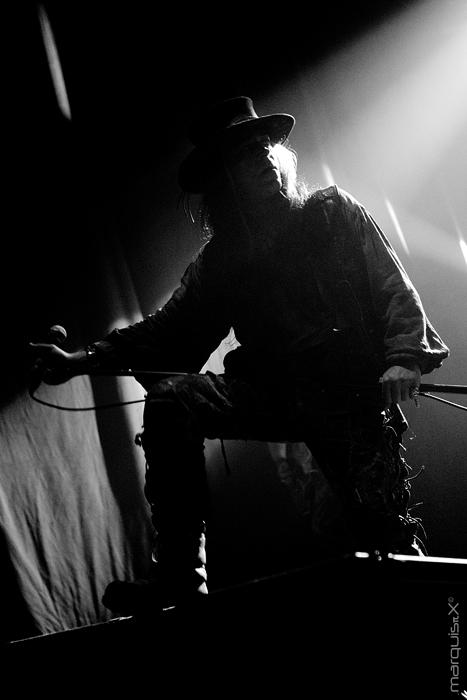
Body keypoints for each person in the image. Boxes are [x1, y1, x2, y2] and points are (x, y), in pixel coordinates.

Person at [30, 96, 449, 615]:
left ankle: (447, 653)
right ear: (224, 177)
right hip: (273, 393)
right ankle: (181, 575)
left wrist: (404, 355)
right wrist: (80, 360)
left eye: (265, 146)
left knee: (388, 541)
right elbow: (169, 330)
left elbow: (394, 288)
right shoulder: (224, 260)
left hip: (348, 396)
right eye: (246, 153)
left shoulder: (334, 214)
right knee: (174, 402)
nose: (265, 158)